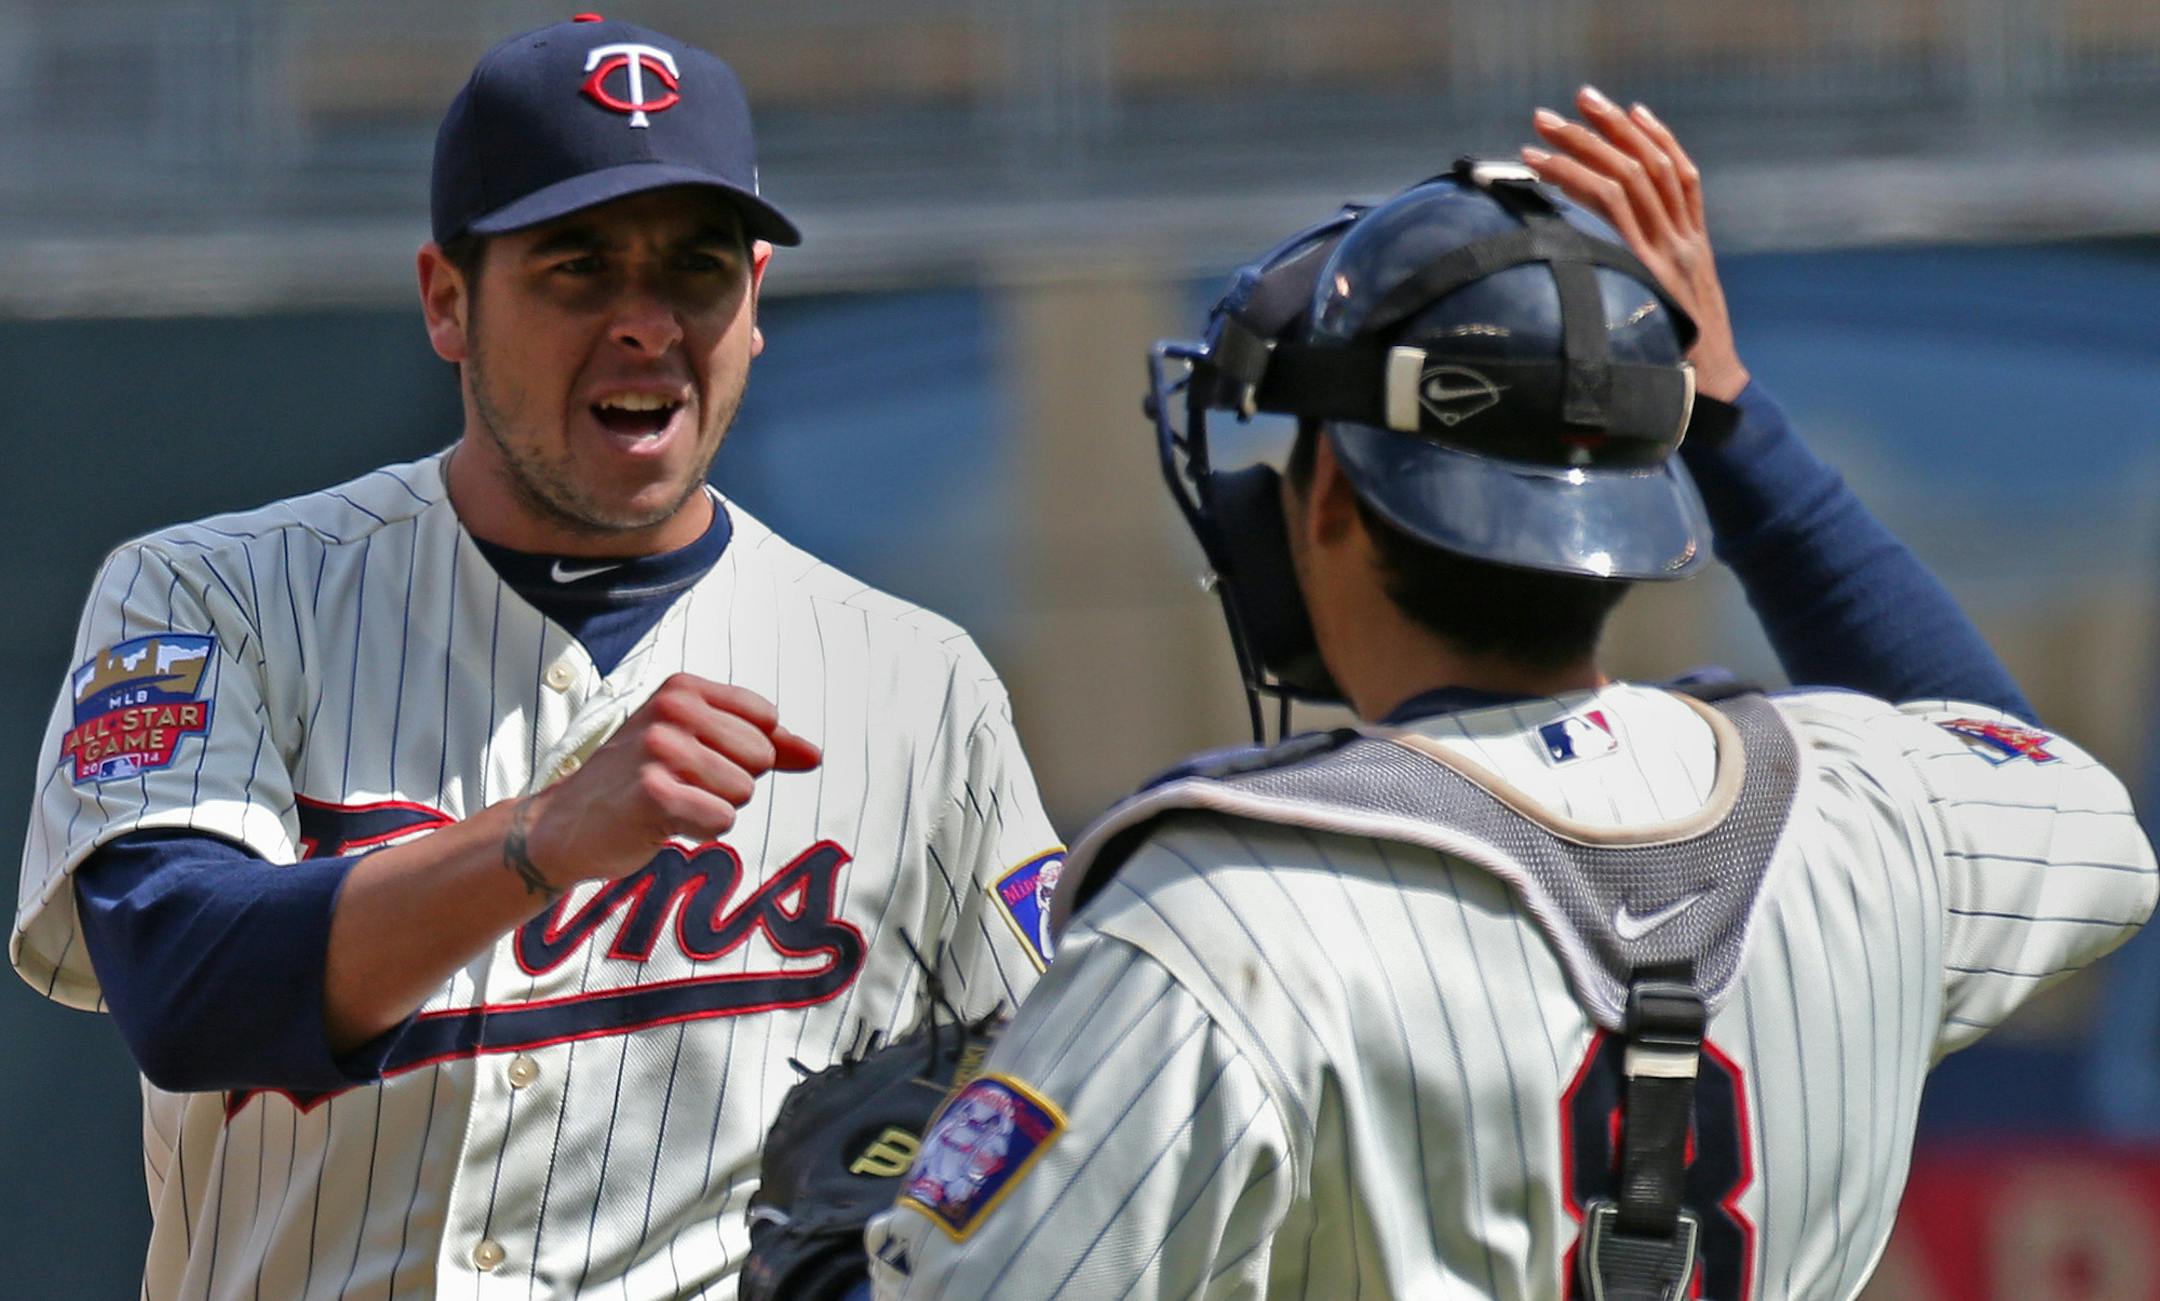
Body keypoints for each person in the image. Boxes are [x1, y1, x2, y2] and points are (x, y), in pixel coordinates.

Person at [862, 92, 2158, 1299]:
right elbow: (2047, 786)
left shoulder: (1218, 926)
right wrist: (1737, 426)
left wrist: (846, 1239)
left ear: (1326, 501)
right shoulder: (1867, 808)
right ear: (1637, 510)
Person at [10, 15, 1060, 1299]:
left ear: (755, 307)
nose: (644, 322)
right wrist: (544, 837)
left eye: (696, 268)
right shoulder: (213, 594)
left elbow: (1051, 1091)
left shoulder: (920, 684)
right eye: (577, 266)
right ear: (448, 302)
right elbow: (185, 982)